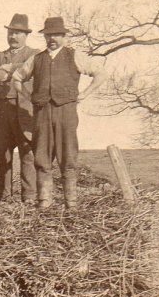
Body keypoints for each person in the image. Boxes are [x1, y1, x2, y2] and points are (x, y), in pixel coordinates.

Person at [11, 17, 107, 209]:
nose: (52, 39)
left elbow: (100, 74)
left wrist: (84, 94)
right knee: (42, 156)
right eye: (48, 35)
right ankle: (44, 201)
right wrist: (29, 96)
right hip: (42, 113)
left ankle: (71, 202)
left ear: (64, 37)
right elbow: (17, 77)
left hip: (66, 112)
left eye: (56, 35)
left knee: (68, 156)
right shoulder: (36, 59)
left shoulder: (74, 55)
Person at [0, 14, 41, 200]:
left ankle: (29, 197)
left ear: (26, 35)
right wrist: (8, 74)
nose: (13, 37)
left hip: (23, 110)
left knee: (27, 153)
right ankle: (4, 195)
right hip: (2, 110)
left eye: (18, 33)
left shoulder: (34, 54)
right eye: (11, 33)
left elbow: (33, 67)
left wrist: (9, 67)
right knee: (2, 154)